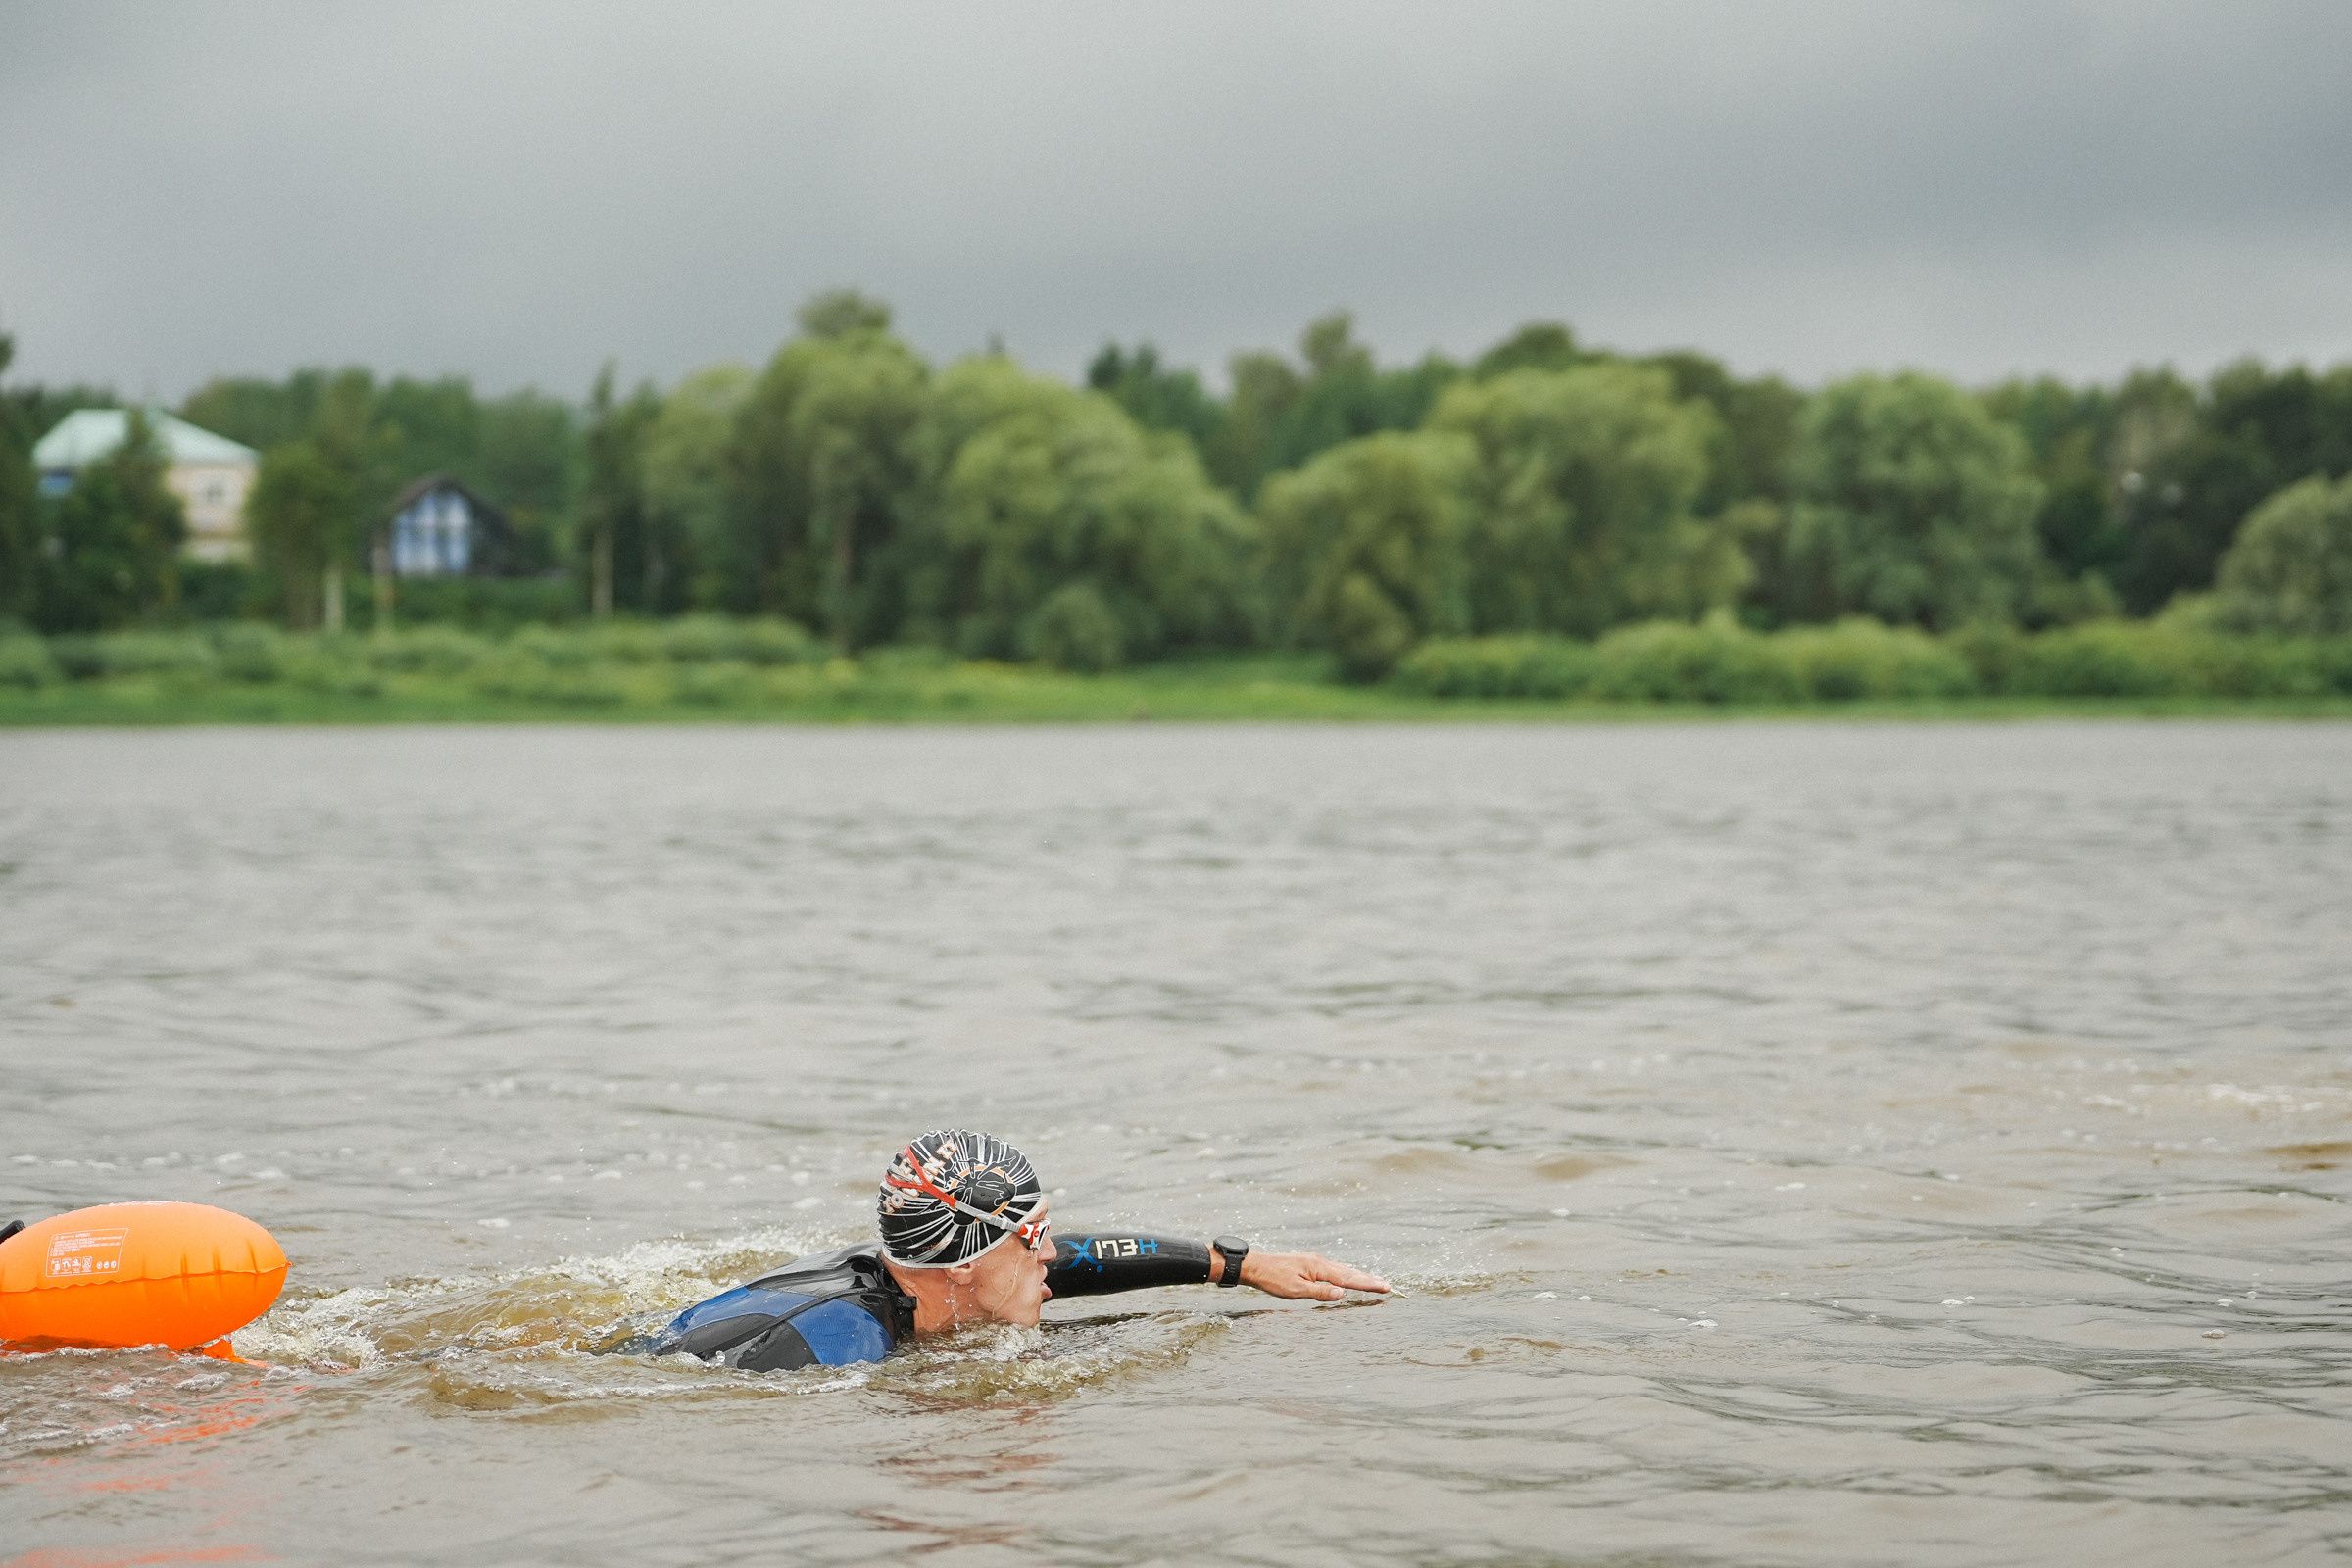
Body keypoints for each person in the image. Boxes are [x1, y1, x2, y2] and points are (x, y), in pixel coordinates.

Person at [611, 1128, 1389, 1371]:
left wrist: (1239, 1265)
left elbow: (1083, 1261)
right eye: (1033, 1238)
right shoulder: (837, 1343)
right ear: (967, 1261)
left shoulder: (908, 1275)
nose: (1051, 1256)